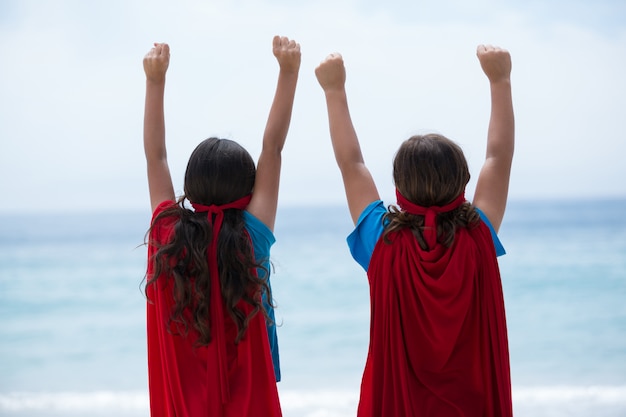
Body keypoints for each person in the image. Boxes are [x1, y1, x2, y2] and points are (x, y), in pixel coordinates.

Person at [315, 44, 514, 417]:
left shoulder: (383, 240)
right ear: (464, 183)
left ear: (398, 190)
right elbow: (498, 157)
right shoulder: (479, 236)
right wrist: (500, 81)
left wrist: (334, 90)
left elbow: (351, 164)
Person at [142, 35, 300, 417]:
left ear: (190, 187)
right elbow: (273, 148)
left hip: (185, 397)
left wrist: (155, 80)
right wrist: (288, 72)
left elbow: (156, 155)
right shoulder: (252, 235)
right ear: (249, 191)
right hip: (250, 398)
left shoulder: (168, 233)